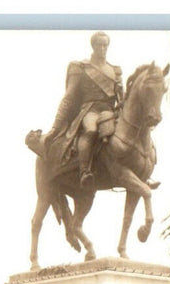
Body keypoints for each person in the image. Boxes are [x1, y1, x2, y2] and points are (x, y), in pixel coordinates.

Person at [43, 31, 124, 189]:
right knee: (91, 130)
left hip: (110, 112)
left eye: (105, 45)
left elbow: (122, 98)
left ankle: (140, 171)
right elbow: (69, 97)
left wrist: (121, 93)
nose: (103, 48)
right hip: (90, 110)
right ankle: (84, 171)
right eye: (99, 45)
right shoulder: (80, 67)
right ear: (93, 46)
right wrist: (55, 126)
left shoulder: (115, 71)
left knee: (130, 133)